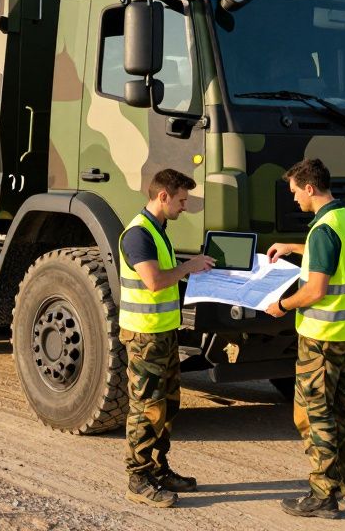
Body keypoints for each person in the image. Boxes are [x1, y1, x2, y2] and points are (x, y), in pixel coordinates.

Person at [265, 158, 345, 518]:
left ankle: (322, 495)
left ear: (310, 188)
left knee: (314, 415)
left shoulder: (322, 230)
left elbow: (316, 289)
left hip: (321, 339)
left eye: (295, 192)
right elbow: (335, 261)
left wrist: (282, 304)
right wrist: (294, 248)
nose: (294, 200)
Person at [119, 168, 214, 507]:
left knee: (168, 406)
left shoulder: (158, 231)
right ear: (163, 196)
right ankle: (138, 478)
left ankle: (158, 469)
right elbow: (155, 281)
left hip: (162, 335)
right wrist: (189, 267)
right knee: (146, 409)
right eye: (182, 200)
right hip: (145, 337)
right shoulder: (138, 235)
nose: (184, 207)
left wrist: (193, 269)